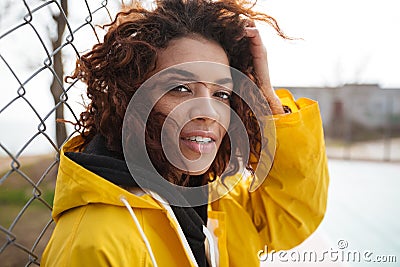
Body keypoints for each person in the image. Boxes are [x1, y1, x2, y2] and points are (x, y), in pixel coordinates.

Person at [41, 0, 329, 266]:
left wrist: (268, 104)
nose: (209, 111)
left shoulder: (212, 195)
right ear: (129, 98)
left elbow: (290, 217)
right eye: (180, 88)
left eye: (222, 94)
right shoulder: (95, 241)